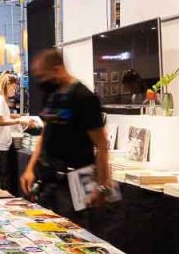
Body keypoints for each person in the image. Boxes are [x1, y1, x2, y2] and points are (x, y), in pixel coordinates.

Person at [19, 48, 113, 229]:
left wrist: (102, 186)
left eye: (43, 76)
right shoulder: (51, 95)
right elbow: (45, 135)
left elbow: (101, 145)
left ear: (57, 69)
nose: (41, 82)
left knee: (73, 233)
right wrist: (30, 169)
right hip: (47, 180)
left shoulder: (84, 98)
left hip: (74, 182)